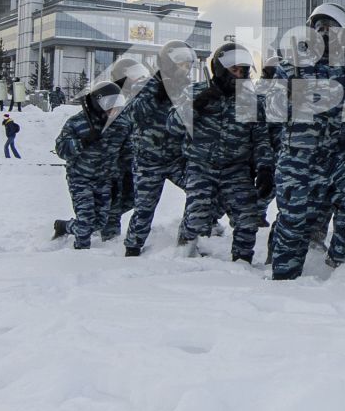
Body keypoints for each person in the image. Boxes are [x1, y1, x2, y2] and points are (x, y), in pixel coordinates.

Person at [268, 3, 345, 280]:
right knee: (294, 220)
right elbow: (270, 111)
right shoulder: (291, 64)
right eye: (319, 26)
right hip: (299, 156)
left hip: (337, 154)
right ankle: (282, 280)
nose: (325, 33)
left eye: (331, 28)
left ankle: (338, 265)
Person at [178, 43, 273, 262]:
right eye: (234, 70)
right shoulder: (195, 93)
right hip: (201, 166)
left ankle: (242, 263)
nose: (239, 75)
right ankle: (185, 254)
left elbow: (260, 139)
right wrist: (197, 105)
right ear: (220, 69)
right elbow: (172, 127)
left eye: (243, 71)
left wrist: (265, 167)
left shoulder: (250, 101)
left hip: (236, 169)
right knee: (198, 217)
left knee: (248, 218)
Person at [116, 41, 197, 256]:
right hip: (148, 161)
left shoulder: (188, 89)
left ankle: (186, 240)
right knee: (144, 208)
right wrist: (156, 93)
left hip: (177, 158)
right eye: (181, 64)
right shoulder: (146, 85)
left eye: (188, 65)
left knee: (199, 192)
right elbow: (131, 115)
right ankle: (132, 248)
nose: (185, 69)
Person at [53, 80, 131, 248]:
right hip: (80, 178)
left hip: (105, 179)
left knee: (100, 222)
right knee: (86, 223)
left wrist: (124, 177)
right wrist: (84, 141)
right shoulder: (77, 123)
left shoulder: (122, 124)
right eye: (110, 104)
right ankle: (80, 259)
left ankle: (64, 226)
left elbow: (127, 152)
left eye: (117, 104)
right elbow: (61, 150)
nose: (114, 109)